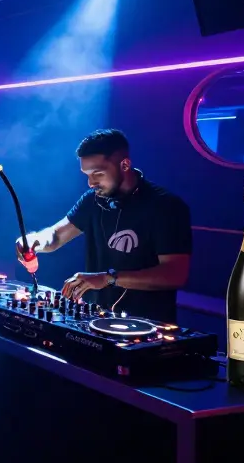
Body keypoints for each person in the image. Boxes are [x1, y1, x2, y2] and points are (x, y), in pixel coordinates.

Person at [18, 129, 192, 321]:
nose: (91, 183)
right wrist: (36, 240)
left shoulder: (165, 206)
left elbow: (175, 274)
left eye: (98, 174)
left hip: (146, 326)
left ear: (125, 164)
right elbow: (56, 236)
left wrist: (109, 278)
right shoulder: (92, 201)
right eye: (87, 175)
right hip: (95, 321)